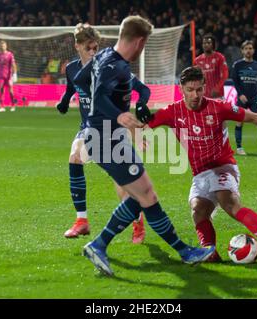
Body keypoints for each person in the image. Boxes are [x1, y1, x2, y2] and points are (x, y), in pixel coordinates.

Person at [74, 16, 214, 276]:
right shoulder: (114, 65)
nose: (143, 49)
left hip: (107, 137)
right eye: (144, 43)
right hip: (105, 139)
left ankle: (102, 244)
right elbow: (100, 95)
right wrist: (116, 115)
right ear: (139, 41)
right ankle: (181, 251)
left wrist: (125, 108)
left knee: (144, 196)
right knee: (146, 195)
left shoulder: (105, 57)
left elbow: (81, 81)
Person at [145, 66, 257, 263]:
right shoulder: (171, 112)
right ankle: (210, 252)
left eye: (199, 89)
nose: (195, 94)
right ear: (181, 89)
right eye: (190, 90)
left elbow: (254, 117)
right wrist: (138, 127)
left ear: (204, 87)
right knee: (198, 210)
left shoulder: (218, 107)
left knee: (229, 203)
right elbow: (142, 125)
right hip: (200, 174)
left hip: (223, 167)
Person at [56, 23, 147, 244]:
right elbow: (72, 86)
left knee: (122, 183)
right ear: (77, 46)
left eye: (96, 47)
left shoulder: (109, 68)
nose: (93, 52)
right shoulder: (72, 68)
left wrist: (140, 109)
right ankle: (82, 221)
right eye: (88, 48)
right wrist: (65, 100)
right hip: (88, 127)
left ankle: (138, 223)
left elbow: (141, 89)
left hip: (112, 129)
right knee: (75, 157)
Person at [232, 40, 257, 156]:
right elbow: (235, 81)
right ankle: (239, 148)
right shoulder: (237, 65)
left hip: (255, 97)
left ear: (253, 50)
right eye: (246, 48)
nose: (248, 50)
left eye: (250, 48)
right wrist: (240, 94)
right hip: (242, 98)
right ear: (242, 51)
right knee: (239, 122)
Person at [194, 35, 229, 99]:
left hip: (218, 95)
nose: (206, 45)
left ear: (213, 44)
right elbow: (196, 78)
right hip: (204, 96)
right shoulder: (197, 60)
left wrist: (217, 88)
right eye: (204, 43)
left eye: (209, 43)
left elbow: (225, 75)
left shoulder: (220, 57)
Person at [0, 40, 17, 112]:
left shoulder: (10, 54)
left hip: (8, 76)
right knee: (1, 90)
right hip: (1, 76)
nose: (2, 47)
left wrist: (15, 74)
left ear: (6, 46)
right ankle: (2, 106)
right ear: (0, 47)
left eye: (3, 45)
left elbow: (13, 65)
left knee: (10, 90)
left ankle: (13, 105)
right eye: (1, 46)